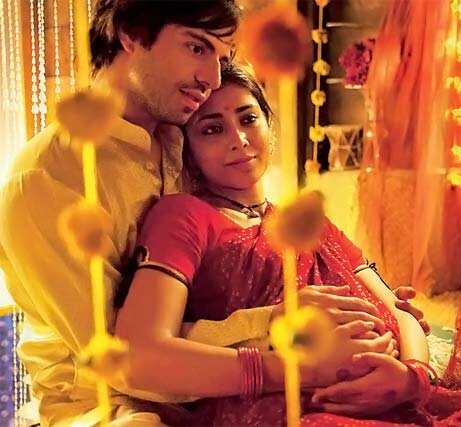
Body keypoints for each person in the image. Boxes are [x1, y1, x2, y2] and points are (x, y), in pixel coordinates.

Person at [0, 2, 427, 425]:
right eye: (197, 47)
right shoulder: (48, 179)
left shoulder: (176, 137)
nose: (212, 79)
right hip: (109, 402)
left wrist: (384, 318)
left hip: (235, 382)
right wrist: (277, 332)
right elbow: (124, 357)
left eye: (222, 58)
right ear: (130, 34)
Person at [114, 62, 430, 426]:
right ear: (189, 151)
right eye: (213, 129)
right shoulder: (183, 216)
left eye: (248, 119)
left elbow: (399, 309)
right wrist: (295, 369)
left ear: (269, 126)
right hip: (283, 406)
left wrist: (412, 378)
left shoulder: (308, 224)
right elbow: (139, 353)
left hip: (397, 394)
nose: (239, 139)